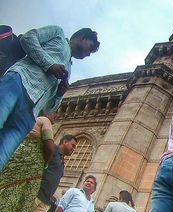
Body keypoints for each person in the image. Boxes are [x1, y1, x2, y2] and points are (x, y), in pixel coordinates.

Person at [0, 25, 99, 171]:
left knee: (2, 156)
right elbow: (28, 38)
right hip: (20, 82)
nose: (89, 54)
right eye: (90, 48)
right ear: (82, 37)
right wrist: (50, 65)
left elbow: (48, 109)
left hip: (30, 112)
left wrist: (59, 93)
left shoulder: (69, 69)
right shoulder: (58, 33)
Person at [31, 134, 77, 212]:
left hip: (45, 202)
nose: (74, 149)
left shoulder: (62, 161)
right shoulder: (54, 150)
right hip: (35, 194)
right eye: (72, 145)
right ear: (65, 142)